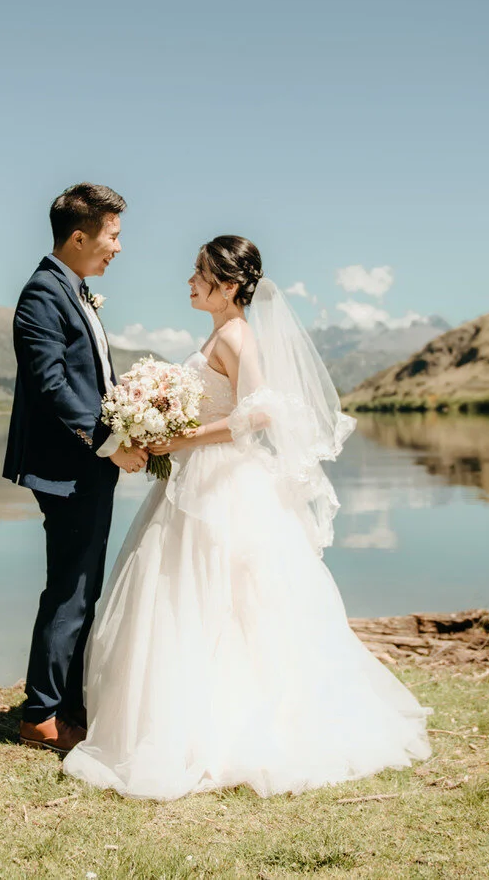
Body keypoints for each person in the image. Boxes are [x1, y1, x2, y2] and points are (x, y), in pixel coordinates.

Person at [61, 235, 432, 799]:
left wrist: (183, 435)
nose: (189, 281)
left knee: (226, 598)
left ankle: (228, 727)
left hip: (223, 483)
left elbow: (257, 414)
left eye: (199, 273)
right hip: (198, 478)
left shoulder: (235, 335)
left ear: (228, 285)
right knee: (196, 597)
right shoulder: (219, 332)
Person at [3, 183, 148, 754]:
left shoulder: (74, 289)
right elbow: (52, 387)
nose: (118, 247)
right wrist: (112, 442)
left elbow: (90, 379)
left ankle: (68, 704)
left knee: (80, 585)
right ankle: (41, 714)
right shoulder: (43, 293)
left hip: (86, 462)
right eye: (113, 235)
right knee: (71, 586)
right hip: (69, 465)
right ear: (81, 235)